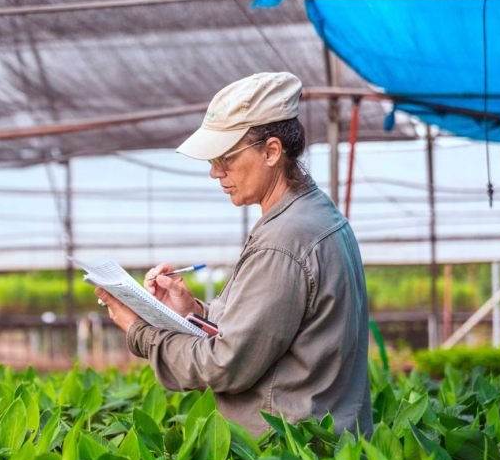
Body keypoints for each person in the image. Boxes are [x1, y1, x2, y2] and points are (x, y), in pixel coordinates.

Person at [95, 72, 372, 437]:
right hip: (323, 448)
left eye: (225, 157)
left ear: (271, 151)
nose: (215, 172)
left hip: (287, 453)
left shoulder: (284, 240)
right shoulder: (314, 215)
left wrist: (139, 331)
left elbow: (226, 364)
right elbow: (262, 329)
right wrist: (191, 312)